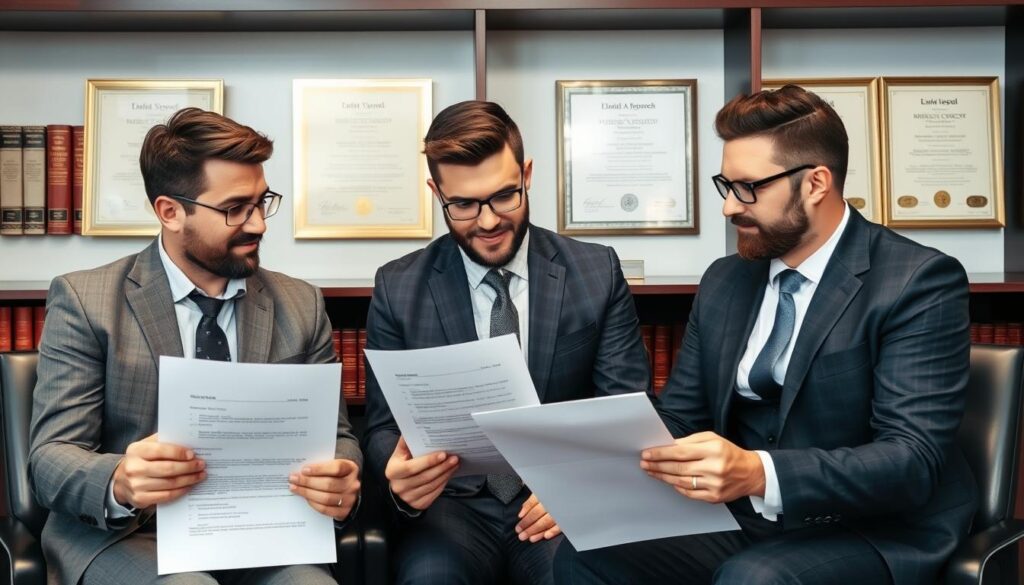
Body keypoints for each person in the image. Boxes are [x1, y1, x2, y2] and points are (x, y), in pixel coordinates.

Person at [554, 85, 977, 585]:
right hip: (747, 518)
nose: (729, 208)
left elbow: (911, 460)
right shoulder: (725, 280)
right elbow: (680, 415)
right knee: (584, 552)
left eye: (748, 188)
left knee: (755, 579)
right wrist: (582, 472)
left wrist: (759, 472)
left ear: (816, 182)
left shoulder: (918, 280)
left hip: (874, 528)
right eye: (725, 186)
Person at [29, 108, 362, 585]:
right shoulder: (87, 301)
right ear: (170, 211)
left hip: (261, 535)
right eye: (234, 209)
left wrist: (343, 472)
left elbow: (338, 436)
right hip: (128, 534)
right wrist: (120, 480)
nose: (258, 225)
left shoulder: (300, 303)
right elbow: (51, 457)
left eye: (261, 201)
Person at [362, 100, 651, 585]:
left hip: (559, 498)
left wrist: (582, 484)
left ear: (527, 174)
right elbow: (381, 427)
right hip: (450, 506)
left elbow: (628, 407)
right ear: (436, 192)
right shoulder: (398, 286)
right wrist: (399, 473)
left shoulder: (596, 271)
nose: (489, 221)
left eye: (504, 196)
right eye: (464, 204)